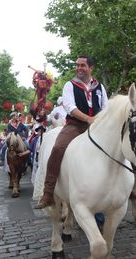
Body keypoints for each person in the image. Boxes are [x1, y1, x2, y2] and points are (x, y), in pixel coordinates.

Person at [36, 56, 108, 209]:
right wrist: (88, 119)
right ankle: (48, 192)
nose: (79, 68)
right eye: (78, 65)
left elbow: (105, 108)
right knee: (57, 148)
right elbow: (70, 107)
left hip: (97, 127)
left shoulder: (99, 87)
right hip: (75, 126)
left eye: (83, 65)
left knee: (120, 145)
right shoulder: (70, 85)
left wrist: (99, 121)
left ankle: (131, 189)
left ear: (91, 68)